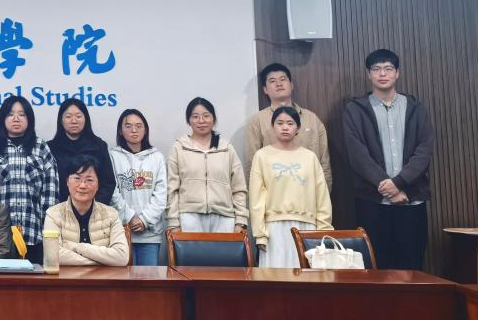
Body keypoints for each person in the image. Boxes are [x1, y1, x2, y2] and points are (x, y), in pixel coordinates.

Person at [41, 157, 129, 320]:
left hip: (105, 300)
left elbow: (122, 257)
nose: (82, 185)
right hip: (62, 300)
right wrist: (101, 257)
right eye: (77, 178)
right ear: (67, 182)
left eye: (89, 179)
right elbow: (53, 255)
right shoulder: (54, 213)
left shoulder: (110, 214)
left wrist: (78, 247)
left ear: (98, 184)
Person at [343, 49, 435, 270]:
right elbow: (358, 154)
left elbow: (424, 150)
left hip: (410, 199)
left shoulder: (415, 108)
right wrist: (389, 188)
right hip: (372, 202)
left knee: (412, 266)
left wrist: (399, 183)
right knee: (375, 267)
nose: (382, 73)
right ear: (369, 74)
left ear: (397, 73)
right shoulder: (355, 110)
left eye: (388, 68)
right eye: (376, 69)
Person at [249, 107, 333, 267]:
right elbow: (256, 198)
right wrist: (260, 234)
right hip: (273, 229)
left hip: (307, 227)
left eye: (290, 123)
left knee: (306, 276)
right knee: (275, 276)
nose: (285, 127)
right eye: (280, 123)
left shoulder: (310, 157)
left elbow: (322, 196)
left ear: (298, 128)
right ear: (272, 127)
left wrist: (323, 229)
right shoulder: (262, 156)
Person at [0, 96, 59, 263]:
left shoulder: (40, 147)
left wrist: (48, 228)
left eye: (22, 114)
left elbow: (50, 192)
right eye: (10, 114)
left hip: (33, 232)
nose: (16, 118)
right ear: (2, 118)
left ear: (29, 119)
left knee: (33, 279)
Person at [166, 97, 249, 233]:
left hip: (224, 217)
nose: (201, 121)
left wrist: (241, 220)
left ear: (213, 119)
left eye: (206, 116)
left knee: (224, 249)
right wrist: (173, 222)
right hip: (189, 217)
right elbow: (172, 189)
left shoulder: (226, 148)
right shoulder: (179, 147)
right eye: (195, 117)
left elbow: (239, 188)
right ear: (188, 120)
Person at [244, 63, 332, 187]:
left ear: (291, 85)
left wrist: (325, 190)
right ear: (265, 89)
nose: (279, 84)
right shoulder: (256, 122)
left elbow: (324, 162)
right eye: (272, 81)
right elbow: (251, 166)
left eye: (283, 79)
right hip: (274, 193)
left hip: (309, 190)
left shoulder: (312, 119)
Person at [108, 109, 168, 265]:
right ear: (120, 131)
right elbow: (112, 191)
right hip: (121, 232)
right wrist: (130, 217)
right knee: (122, 279)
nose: (134, 130)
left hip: (150, 234)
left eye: (139, 126)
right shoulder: (113, 156)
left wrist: (144, 220)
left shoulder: (157, 157)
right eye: (128, 126)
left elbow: (161, 194)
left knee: (149, 278)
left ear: (145, 129)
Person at [48, 97, 116, 206]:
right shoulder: (50, 148)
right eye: (68, 117)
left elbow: (108, 183)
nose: (74, 121)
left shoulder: (99, 146)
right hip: (60, 210)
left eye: (78, 116)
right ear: (61, 120)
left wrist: (93, 208)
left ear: (86, 119)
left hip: (94, 209)